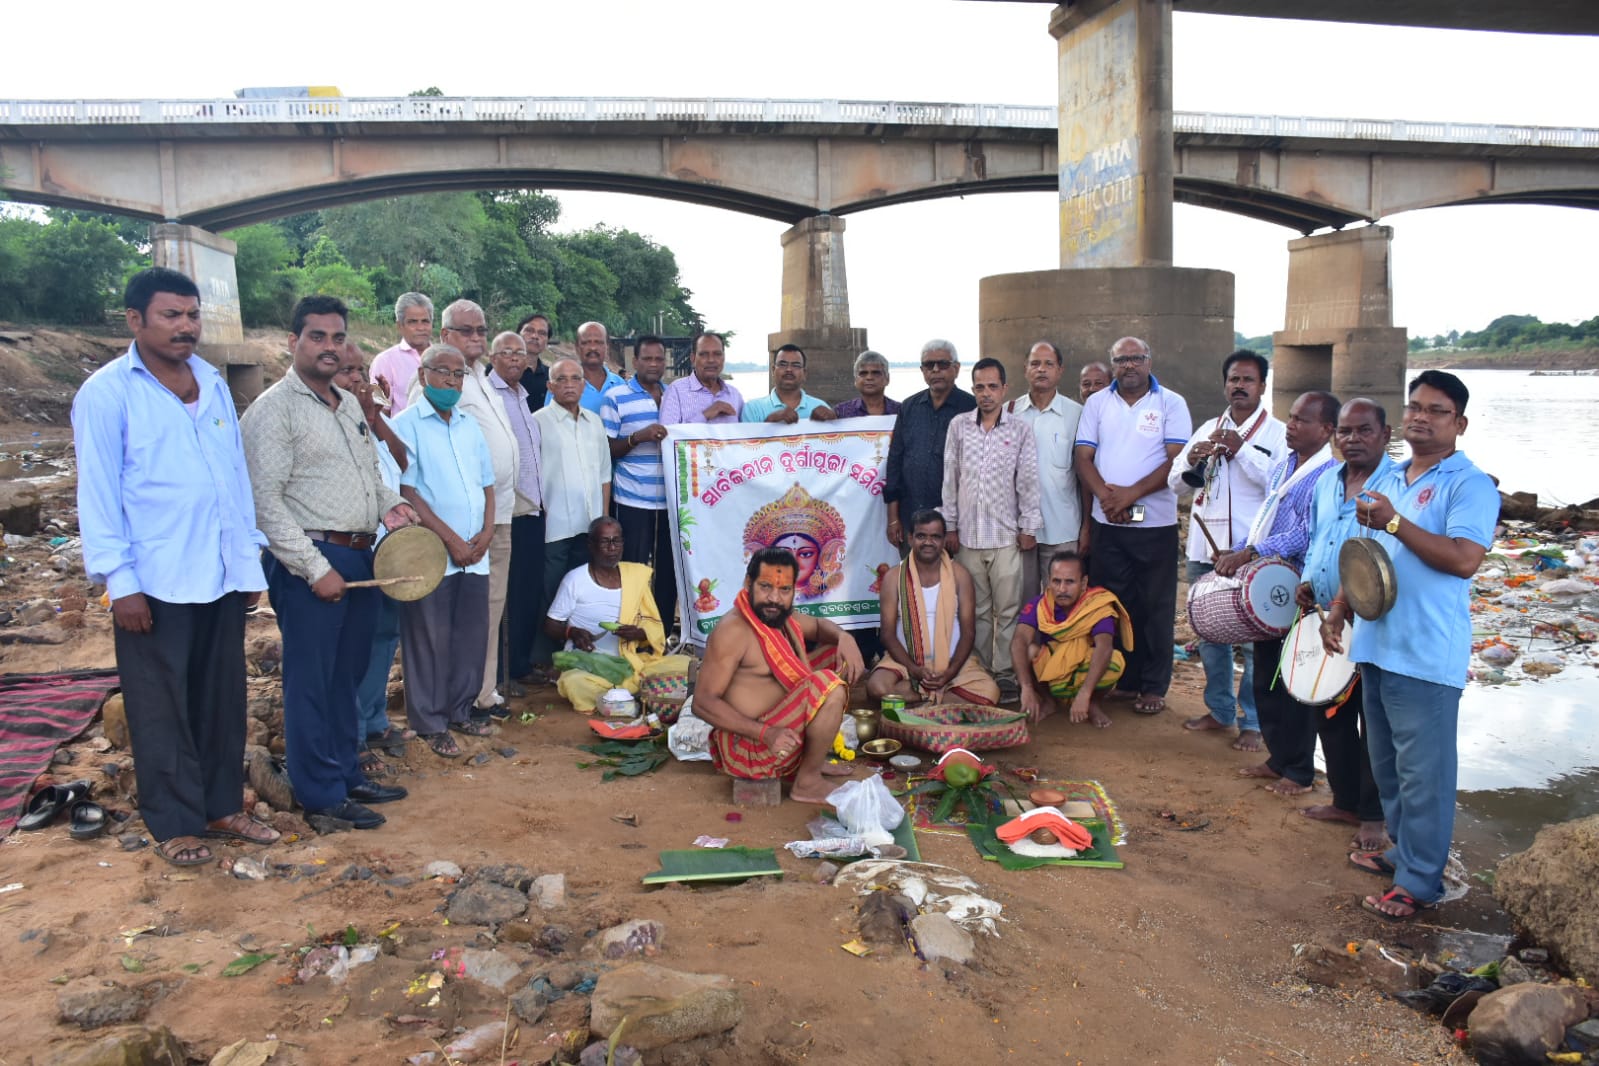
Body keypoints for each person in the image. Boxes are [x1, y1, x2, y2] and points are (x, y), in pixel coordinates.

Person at [73, 266, 275, 866]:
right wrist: (120, 582)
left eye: (192, 316)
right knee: (161, 707)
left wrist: (246, 569)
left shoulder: (211, 383)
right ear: (135, 320)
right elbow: (99, 495)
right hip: (154, 582)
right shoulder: (107, 393)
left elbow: (233, 482)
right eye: (171, 315)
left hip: (217, 574)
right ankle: (175, 822)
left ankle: (219, 805)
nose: (186, 327)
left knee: (221, 699)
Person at [1326, 371, 1498, 920]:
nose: (1421, 417)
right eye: (1415, 407)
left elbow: (1465, 559)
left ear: (1460, 423)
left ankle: (1421, 882)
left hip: (1425, 652)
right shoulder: (1393, 476)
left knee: (1426, 773)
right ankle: (1404, 853)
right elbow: (1367, 559)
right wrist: (1339, 608)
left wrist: (1396, 522)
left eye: (1437, 410)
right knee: (1390, 766)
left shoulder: (1469, 484)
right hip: (1378, 643)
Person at [241, 295, 414, 830]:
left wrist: (392, 506)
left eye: (338, 338)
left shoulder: (346, 403)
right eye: (317, 337)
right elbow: (265, 502)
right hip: (312, 560)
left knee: (347, 673)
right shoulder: (273, 410)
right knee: (312, 680)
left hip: (361, 557)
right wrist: (315, 569)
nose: (330, 347)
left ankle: (345, 773)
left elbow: (366, 478)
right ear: (293, 342)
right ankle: (319, 793)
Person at [1219, 391, 1340, 796]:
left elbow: (1306, 533)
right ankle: (1278, 758)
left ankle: (1301, 771)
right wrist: (1242, 548)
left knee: (1294, 678)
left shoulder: (1327, 474)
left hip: (1301, 588)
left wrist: (1251, 552)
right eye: (1290, 418)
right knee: (1266, 675)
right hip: (1272, 582)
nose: (1290, 425)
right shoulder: (1285, 462)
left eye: (1302, 421)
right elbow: (1265, 518)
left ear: (1326, 430)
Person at [1172, 350, 1287, 752]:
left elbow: (1279, 487)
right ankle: (1219, 711)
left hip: (1251, 554)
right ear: (1225, 384)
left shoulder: (1277, 434)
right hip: (1205, 547)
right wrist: (1191, 457)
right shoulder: (1207, 427)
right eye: (1234, 379)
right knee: (1209, 633)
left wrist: (1240, 449)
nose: (1239, 386)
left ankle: (1253, 721)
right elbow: (1176, 485)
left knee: (1255, 639)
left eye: (1248, 380)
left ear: (1262, 386)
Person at [1072, 337, 1192, 716]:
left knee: (1156, 606)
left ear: (1148, 361)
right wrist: (1108, 500)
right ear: (1113, 364)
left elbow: (1177, 462)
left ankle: (1154, 685)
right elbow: (1083, 457)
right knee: (1114, 603)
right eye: (1121, 360)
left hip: (1155, 523)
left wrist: (1131, 495)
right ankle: (1123, 678)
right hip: (1108, 522)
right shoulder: (1097, 403)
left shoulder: (1171, 403)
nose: (1129, 366)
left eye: (1136, 358)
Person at [1295, 398, 1394, 854]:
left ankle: (1374, 816)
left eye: (1364, 431)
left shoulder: (1395, 484)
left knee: (1372, 720)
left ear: (1385, 434)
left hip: (1370, 617)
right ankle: (1345, 800)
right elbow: (1318, 538)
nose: (1352, 439)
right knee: (1327, 705)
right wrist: (1306, 580)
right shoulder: (1326, 482)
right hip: (1322, 610)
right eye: (1346, 432)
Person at [388, 344, 496, 758]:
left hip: (476, 549)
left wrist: (486, 531)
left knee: (470, 634)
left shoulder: (469, 425)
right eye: (443, 373)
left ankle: (460, 708)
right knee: (428, 637)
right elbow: (407, 490)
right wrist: (450, 539)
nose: (452, 381)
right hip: (433, 550)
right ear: (422, 375)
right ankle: (430, 721)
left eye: (459, 374)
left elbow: (487, 483)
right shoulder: (405, 425)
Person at [692, 548, 866, 804]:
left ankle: (810, 761)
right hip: (750, 749)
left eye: (784, 590)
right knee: (827, 685)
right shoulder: (733, 631)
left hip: (781, 736)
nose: (774, 598)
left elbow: (818, 627)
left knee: (834, 653)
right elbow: (702, 703)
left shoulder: (779, 616)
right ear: (748, 583)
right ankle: (807, 782)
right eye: (765, 587)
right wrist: (765, 733)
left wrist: (845, 638)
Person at [428, 300, 520, 721]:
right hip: (461, 524)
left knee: (490, 609)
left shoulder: (482, 377)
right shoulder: (438, 381)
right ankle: (457, 699)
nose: (477, 338)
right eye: (467, 331)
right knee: (462, 615)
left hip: (496, 516)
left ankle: (483, 694)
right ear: (445, 335)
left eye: (481, 330)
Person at [941, 357, 1041, 695]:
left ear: (1004, 389)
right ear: (973, 390)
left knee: (1008, 610)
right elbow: (950, 480)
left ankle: (1006, 673)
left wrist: (1028, 527)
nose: (986, 394)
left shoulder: (1019, 429)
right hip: (968, 537)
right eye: (980, 387)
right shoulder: (958, 426)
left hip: (1005, 537)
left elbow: (1027, 482)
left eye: (992, 387)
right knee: (977, 611)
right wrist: (950, 526)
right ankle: (980, 670)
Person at [336, 345, 409, 774]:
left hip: (389, 549)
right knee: (355, 643)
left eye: (361, 370)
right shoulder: (331, 422)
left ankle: (374, 719)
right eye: (349, 371)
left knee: (385, 635)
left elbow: (402, 462)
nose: (359, 379)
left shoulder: (371, 423)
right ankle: (354, 734)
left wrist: (375, 416)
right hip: (353, 551)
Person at [866, 510, 999, 706]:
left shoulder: (960, 575)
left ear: (944, 540)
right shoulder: (894, 577)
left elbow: (969, 633)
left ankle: (922, 700)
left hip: (952, 663)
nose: (928, 542)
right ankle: (940, 700)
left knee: (990, 691)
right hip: (904, 662)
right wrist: (914, 669)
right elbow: (887, 635)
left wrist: (950, 672)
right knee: (877, 687)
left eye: (935, 537)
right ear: (910, 539)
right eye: (921, 536)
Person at [544, 517, 674, 710]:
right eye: (605, 541)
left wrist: (638, 634)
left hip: (630, 663)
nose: (612, 548)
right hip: (588, 664)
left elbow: (652, 628)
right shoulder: (575, 579)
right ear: (591, 545)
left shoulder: (635, 576)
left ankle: (616, 699)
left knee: (683, 665)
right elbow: (550, 625)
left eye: (617, 541)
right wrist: (571, 633)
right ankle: (633, 697)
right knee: (574, 683)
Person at [532, 358, 613, 665]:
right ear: (550, 386)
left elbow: (605, 474)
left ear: (583, 384)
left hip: (590, 525)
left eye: (575, 378)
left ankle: (579, 654)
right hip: (555, 526)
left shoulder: (595, 422)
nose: (569, 384)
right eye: (561, 379)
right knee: (551, 592)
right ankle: (544, 658)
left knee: (583, 591)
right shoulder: (537, 422)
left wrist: (604, 520)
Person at [602, 334, 677, 632]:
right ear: (635, 362)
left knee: (669, 572)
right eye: (647, 358)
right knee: (633, 569)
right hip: (633, 499)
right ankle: (631, 629)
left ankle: (662, 633)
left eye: (659, 359)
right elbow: (607, 449)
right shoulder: (616, 397)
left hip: (671, 500)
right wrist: (637, 437)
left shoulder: (674, 396)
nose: (654, 364)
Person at [485, 331, 547, 689]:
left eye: (519, 353)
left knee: (525, 589)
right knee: (502, 596)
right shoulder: (487, 396)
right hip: (506, 509)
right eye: (505, 352)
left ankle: (519, 665)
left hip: (531, 508)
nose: (513, 359)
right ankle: (498, 675)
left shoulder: (522, 397)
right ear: (493, 358)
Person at [1011, 551, 1133, 728]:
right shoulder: (1041, 604)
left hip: (1085, 669)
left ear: (1083, 583)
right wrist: (1027, 687)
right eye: (1056, 581)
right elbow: (1019, 640)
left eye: (1069, 582)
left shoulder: (1097, 605)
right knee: (1028, 651)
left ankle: (1092, 703)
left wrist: (1085, 693)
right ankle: (1049, 700)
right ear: (1049, 580)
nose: (1062, 589)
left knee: (1114, 660)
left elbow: (1104, 646)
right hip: (1052, 671)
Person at [1009, 341, 1087, 601]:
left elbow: (1083, 476)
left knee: (1063, 602)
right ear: (1025, 369)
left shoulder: (1077, 414)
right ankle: (1031, 644)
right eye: (1035, 363)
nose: (1041, 369)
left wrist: (1086, 528)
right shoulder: (1009, 413)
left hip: (1062, 528)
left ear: (1060, 370)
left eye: (1048, 364)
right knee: (1024, 605)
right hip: (1018, 530)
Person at [883, 339, 975, 553]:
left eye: (943, 364)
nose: (935, 370)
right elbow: (895, 461)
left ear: (956, 368)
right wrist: (893, 518)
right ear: (922, 370)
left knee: (953, 582)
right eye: (928, 365)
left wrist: (958, 525)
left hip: (956, 523)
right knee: (912, 581)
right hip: (911, 517)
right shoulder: (909, 407)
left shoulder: (971, 408)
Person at [660, 330, 744, 424]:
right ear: (693, 358)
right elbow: (668, 434)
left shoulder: (734, 395)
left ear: (723, 358)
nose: (711, 360)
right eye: (703, 354)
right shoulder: (676, 391)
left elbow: (747, 434)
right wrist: (705, 415)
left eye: (717, 354)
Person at [369, 292, 433, 415]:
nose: (420, 327)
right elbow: (380, 413)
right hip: (400, 433)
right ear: (400, 326)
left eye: (425, 321)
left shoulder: (443, 357)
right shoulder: (385, 361)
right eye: (413, 322)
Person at [741, 344, 837, 423]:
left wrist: (834, 421)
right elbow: (744, 444)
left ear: (804, 373)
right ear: (773, 370)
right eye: (783, 364)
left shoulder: (820, 406)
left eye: (796, 365)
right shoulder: (753, 409)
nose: (789, 370)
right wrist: (768, 422)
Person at [546, 320, 625, 415]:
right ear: (577, 347)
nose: (592, 348)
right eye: (586, 343)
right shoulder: (560, 385)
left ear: (607, 347)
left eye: (598, 342)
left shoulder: (620, 384)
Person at [834, 350, 901, 419]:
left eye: (876, 373)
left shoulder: (902, 411)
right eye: (863, 373)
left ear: (887, 379)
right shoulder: (841, 412)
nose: (869, 377)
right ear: (856, 380)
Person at [516, 312, 552, 412]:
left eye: (542, 333)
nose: (535, 336)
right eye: (529, 330)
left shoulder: (551, 377)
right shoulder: (499, 370)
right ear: (518, 334)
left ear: (547, 341)